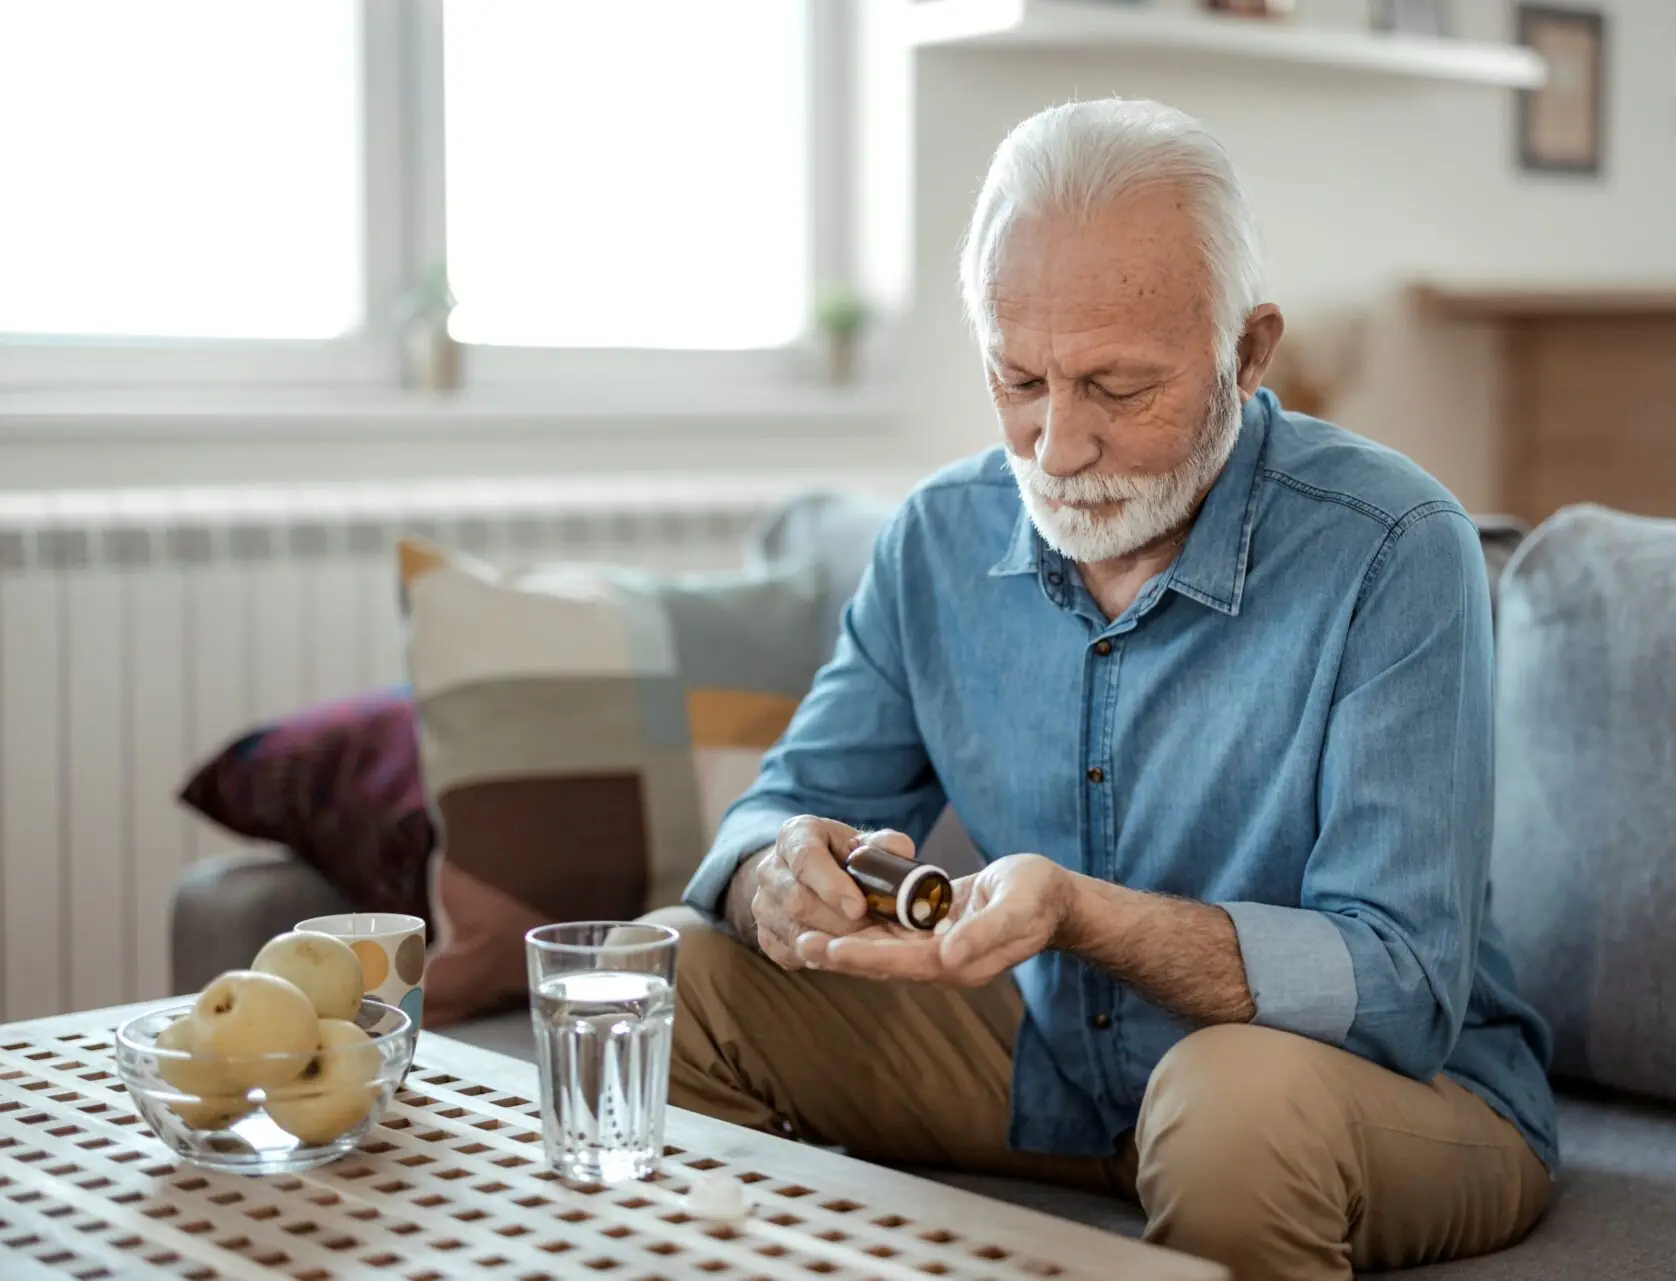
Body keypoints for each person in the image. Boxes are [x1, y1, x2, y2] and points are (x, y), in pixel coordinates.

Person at [657, 98, 1558, 1281]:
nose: (1058, 446)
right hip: (1050, 1067)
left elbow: (1398, 987)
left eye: (1119, 389)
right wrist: (779, 873)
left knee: (1231, 1111)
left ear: (1248, 350)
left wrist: (1084, 915)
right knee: (663, 972)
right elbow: (774, 811)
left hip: (1372, 1092)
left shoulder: (1393, 550)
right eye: (1018, 379)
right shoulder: (935, 539)